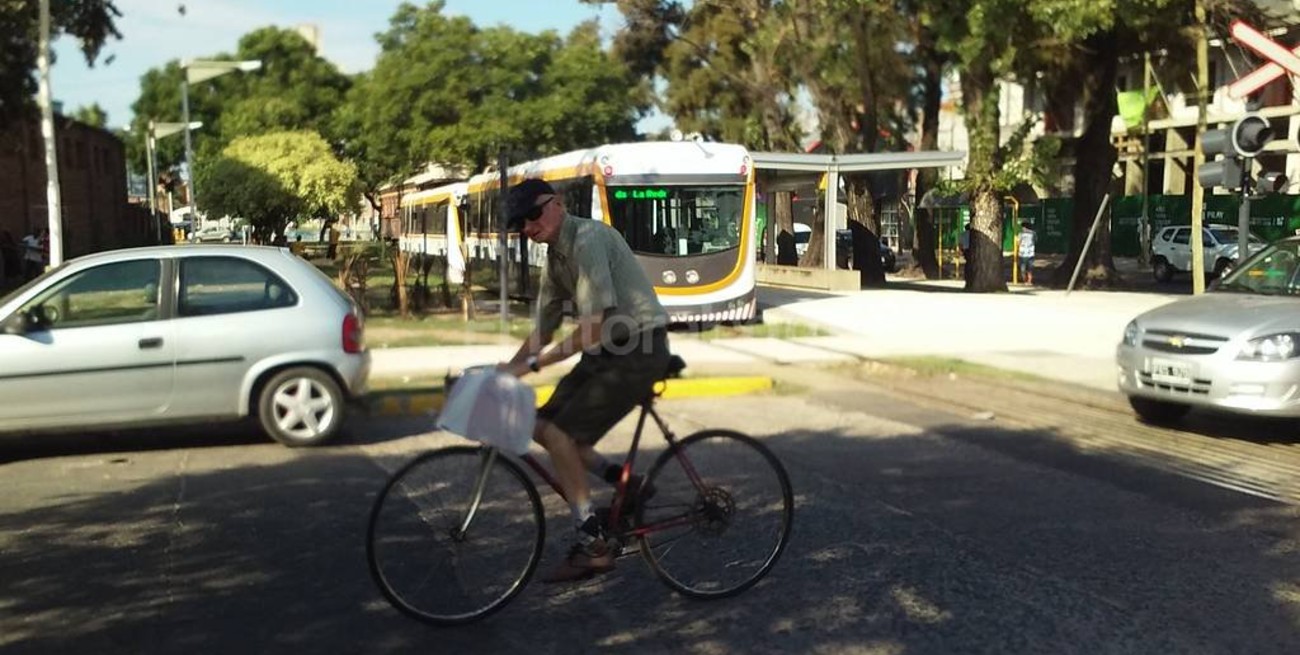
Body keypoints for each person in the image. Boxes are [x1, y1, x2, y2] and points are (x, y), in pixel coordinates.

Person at [497, 178, 672, 584]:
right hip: (609, 351)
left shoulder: (588, 239)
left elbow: (590, 329)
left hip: (638, 348)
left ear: (557, 204)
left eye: (532, 216)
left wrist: (532, 367)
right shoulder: (556, 257)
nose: (527, 228)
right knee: (541, 426)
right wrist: (503, 371)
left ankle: (594, 546)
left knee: (559, 434)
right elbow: (543, 328)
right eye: (519, 223)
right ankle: (628, 484)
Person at [1018, 219, 1036, 285]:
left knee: (1023, 268)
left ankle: (1025, 281)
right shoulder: (1033, 233)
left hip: (1022, 252)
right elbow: (1035, 241)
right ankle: (1029, 281)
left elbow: (1018, 242)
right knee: (1030, 268)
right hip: (1030, 252)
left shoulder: (1021, 234)